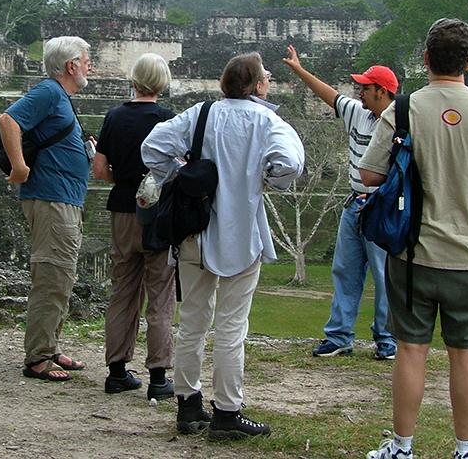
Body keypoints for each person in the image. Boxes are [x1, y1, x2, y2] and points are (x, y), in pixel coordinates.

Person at [360, 19, 468, 459]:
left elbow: (370, 174)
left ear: (427, 59)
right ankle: (466, 448)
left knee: (411, 350)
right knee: (465, 353)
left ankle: (402, 447)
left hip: (414, 255)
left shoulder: (404, 108)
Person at [142, 52, 304, 440]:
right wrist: (264, 178)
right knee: (232, 327)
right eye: (265, 76)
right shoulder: (266, 120)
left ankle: (187, 403)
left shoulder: (202, 113)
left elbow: (153, 147)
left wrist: (178, 175)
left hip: (195, 231)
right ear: (258, 86)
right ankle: (227, 412)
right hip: (241, 233)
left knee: (193, 321)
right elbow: (290, 163)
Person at [283, 45, 397, 361]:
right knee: (345, 271)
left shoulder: (402, 121)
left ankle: (387, 338)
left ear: (382, 91)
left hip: (383, 207)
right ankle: (339, 336)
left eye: (366, 87)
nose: (359, 92)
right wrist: (298, 69)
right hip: (355, 204)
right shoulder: (357, 112)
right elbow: (329, 95)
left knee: (386, 275)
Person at [0, 36, 94, 382]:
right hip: (52, 198)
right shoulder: (50, 92)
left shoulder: (61, 98)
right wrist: (19, 167)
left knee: (61, 276)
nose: (89, 66)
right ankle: (38, 356)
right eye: (85, 60)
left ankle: (49, 346)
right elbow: (8, 120)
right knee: (52, 275)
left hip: (63, 198)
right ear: (71, 66)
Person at [93, 53, 177, 400]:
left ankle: (116, 371)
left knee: (123, 290)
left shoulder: (114, 116)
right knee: (160, 296)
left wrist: (124, 180)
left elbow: (99, 170)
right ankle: (158, 376)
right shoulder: (167, 119)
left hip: (123, 209)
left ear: (134, 80)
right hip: (158, 214)